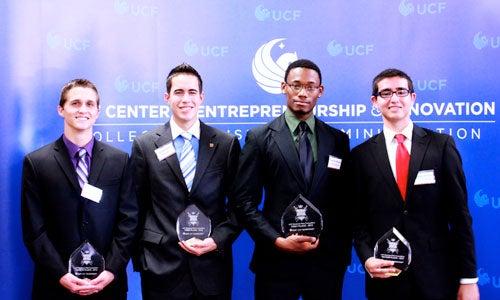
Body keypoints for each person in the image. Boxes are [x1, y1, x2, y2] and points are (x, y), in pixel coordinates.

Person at [352, 68, 480, 300]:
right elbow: (358, 221)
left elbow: (460, 216)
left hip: (437, 276)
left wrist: (468, 279)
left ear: (412, 98)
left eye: (401, 91)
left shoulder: (441, 145)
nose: (394, 98)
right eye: (386, 93)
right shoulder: (361, 155)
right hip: (386, 279)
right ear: (374, 101)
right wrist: (367, 258)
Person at [232, 59, 352, 300]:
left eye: (310, 87)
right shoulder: (259, 138)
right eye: (295, 85)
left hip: (325, 263)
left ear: (320, 91)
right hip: (276, 261)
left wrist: (338, 250)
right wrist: (276, 240)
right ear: (283, 87)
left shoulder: (338, 140)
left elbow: (346, 202)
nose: (302, 93)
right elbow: (244, 201)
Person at [131, 63, 242, 300]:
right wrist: (142, 260)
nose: (185, 99)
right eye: (178, 92)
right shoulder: (145, 145)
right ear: (167, 97)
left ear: (201, 97)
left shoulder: (226, 144)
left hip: (212, 267)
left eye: (192, 92)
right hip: (161, 267)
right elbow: (136, 208)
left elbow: (239, 206)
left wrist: (217, 240)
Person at [21, 78, 138, 299]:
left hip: (107, 285)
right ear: (61, 109)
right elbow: (34, 229)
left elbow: (129, 221)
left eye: (89, 104)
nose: (82, 109)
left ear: (97, 111)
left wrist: (112, 269)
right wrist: (60, 274)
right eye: (75, 103)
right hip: (55, 285)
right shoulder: (37, 163)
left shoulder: (119, 160)